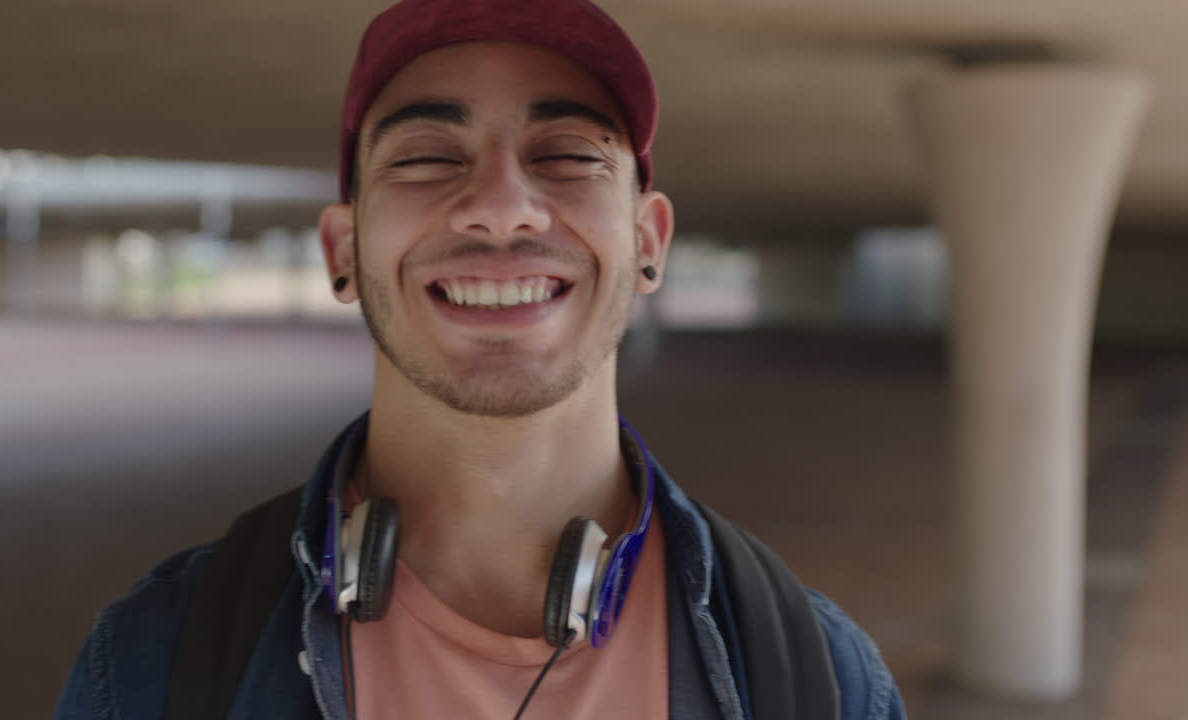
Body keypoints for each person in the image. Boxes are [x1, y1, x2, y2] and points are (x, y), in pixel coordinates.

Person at [55, 1, 906, 718]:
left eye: (568, 155)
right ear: (342, 251)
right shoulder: (148, 666)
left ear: (649, 243)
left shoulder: (822, 677)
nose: (501, 208)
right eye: (426, 159)